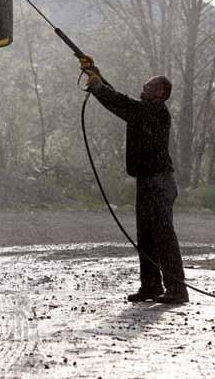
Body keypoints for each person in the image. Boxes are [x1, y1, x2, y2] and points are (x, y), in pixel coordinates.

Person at [80, 56, 188, 304]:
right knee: (146, 236)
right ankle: (151, 286)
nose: (142, 88)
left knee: (163, 236)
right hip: (147, 182)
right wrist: (96, 74)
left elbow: (122, 103)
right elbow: (119, 99)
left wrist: (97, 85)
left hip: (160, 183)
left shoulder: (155, 112)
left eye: (147, 87)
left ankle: (178, 290)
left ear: (160, 92)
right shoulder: (144, 110)